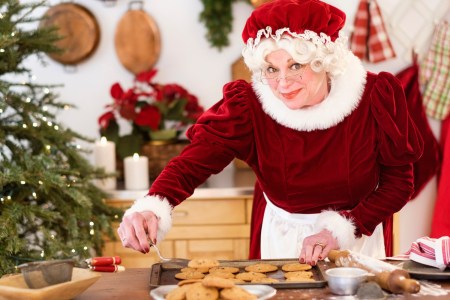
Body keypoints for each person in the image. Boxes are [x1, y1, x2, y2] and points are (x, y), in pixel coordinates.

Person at [117, 0, 423, 265]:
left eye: (296, 65)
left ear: (323, 61)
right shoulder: (250, 106)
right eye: (272, 69)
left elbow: (399, 184)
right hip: (280, 241)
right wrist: (153, 206)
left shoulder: (374, 97)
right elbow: (194, 162)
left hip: (357, 241)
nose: (283, 83)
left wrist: (345, 227)